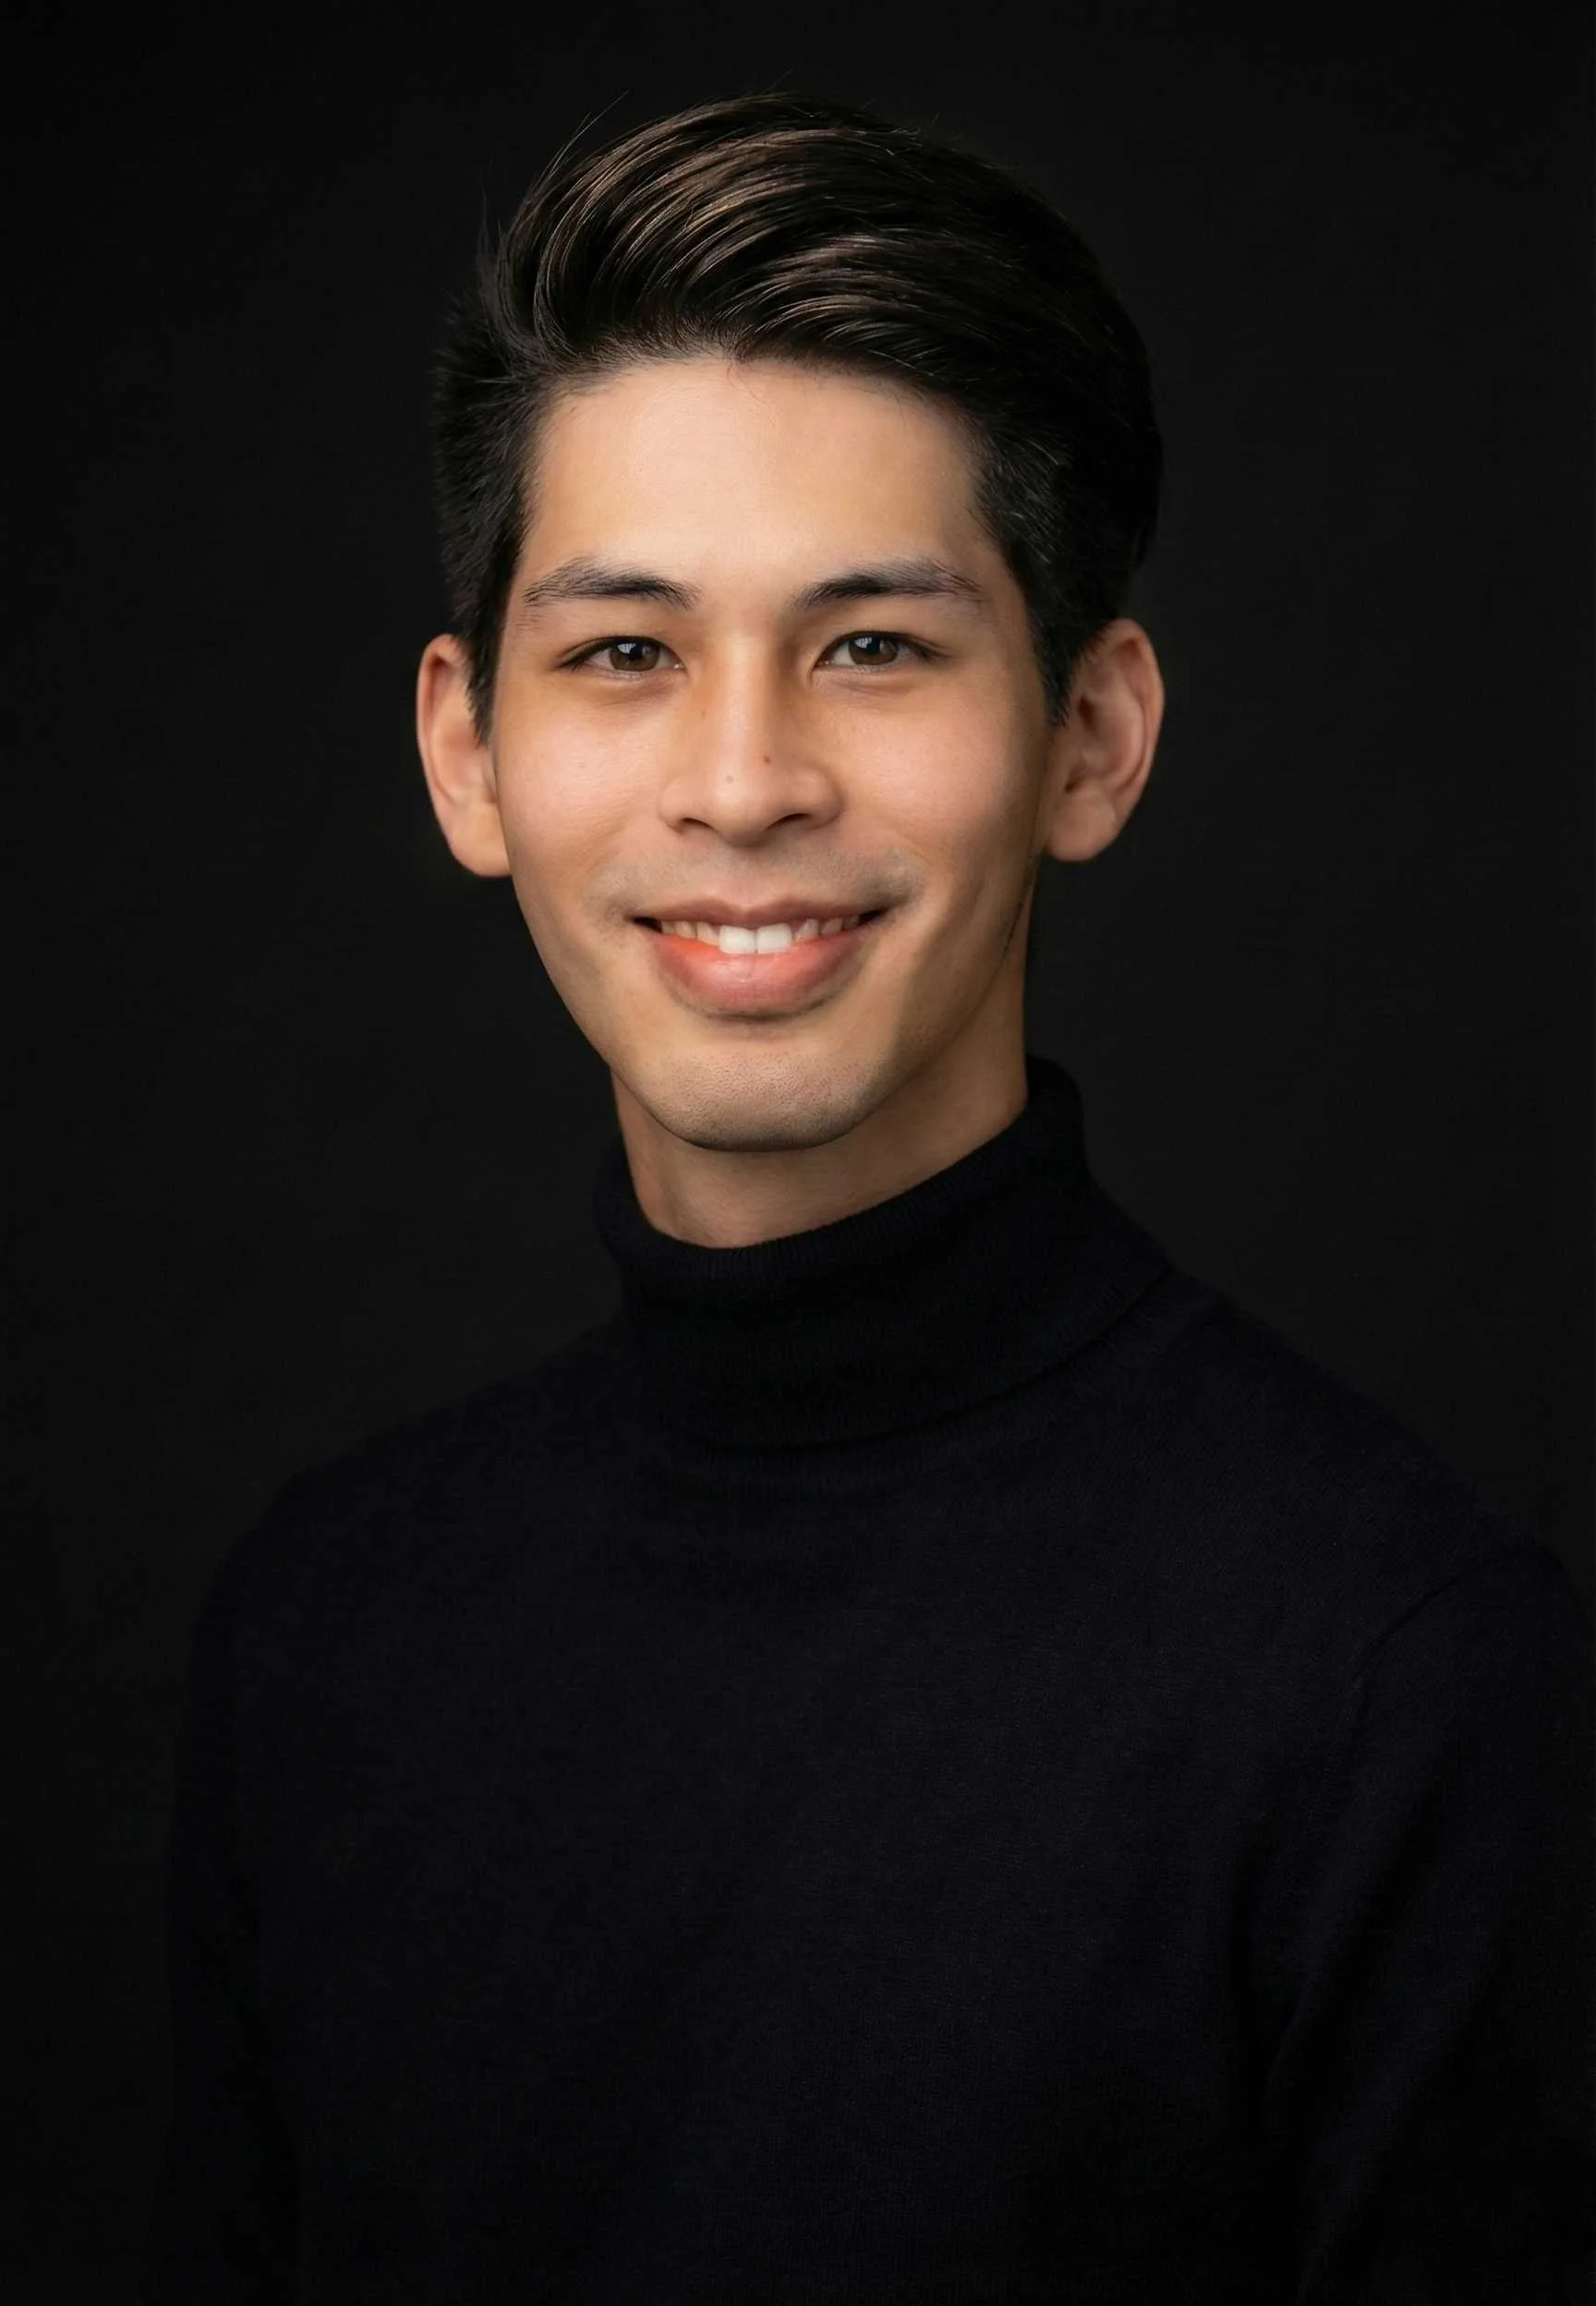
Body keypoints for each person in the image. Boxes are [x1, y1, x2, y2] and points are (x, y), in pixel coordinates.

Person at [143, 90, 1594, 2303]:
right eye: (625, 651)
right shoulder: (317, 1644)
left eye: (877, 645)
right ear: (469, 753)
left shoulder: (1405, 1690)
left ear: (1092, 737)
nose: (745, 783)